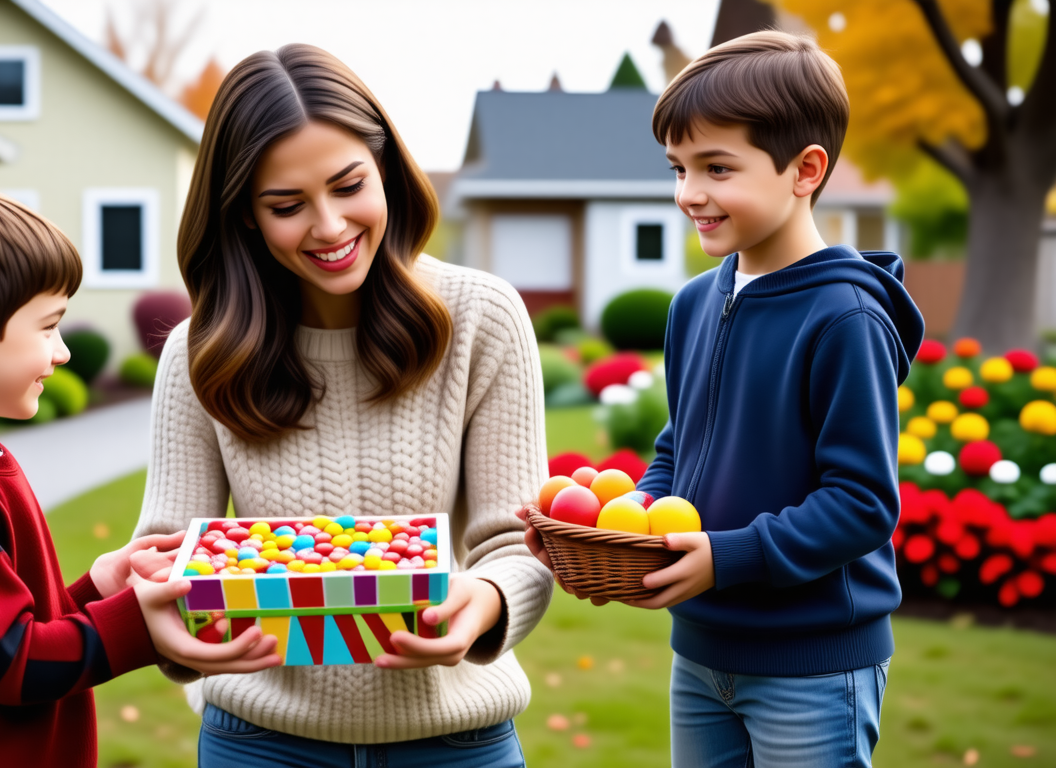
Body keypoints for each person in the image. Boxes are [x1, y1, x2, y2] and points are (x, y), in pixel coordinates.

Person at [131, 43, 553, 767]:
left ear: (386, 169)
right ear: (246, 218)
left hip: (454, 744)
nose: (328, 227)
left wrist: (480, 606)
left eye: (349, 185)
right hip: (260, 744)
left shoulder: (483, 318)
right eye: (287, 206)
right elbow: (166, 557)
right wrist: (163, 621)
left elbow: (516, 544)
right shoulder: (200, 351)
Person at [527, 31, 924, 767]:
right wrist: (629, 530)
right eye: (678, 168)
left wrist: (727, 556)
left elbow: (863, 502)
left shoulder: (845, 318)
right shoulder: (693, 304)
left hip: (814, 662)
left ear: (805, 170)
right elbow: (681, 446)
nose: (688, 194)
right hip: (703, 652)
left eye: (716, 167)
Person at [0, 165, 279, 768]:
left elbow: (2, 630)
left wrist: (100, 587)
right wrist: (137, 625)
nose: (62, 351)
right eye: (48, 326)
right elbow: (13, 665)